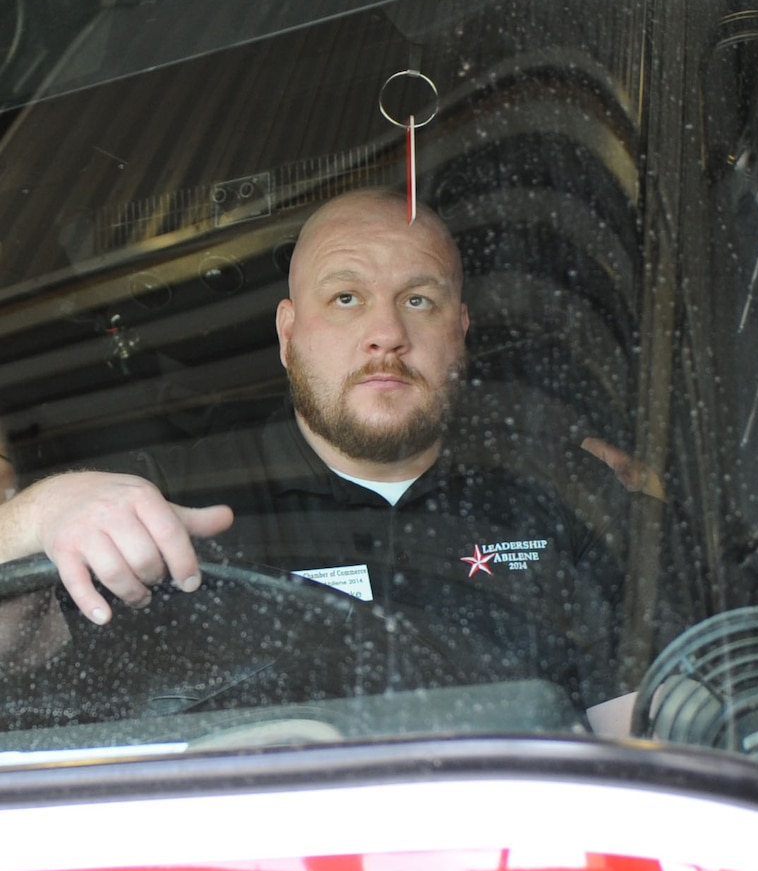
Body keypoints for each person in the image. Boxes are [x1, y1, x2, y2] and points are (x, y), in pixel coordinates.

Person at [0, 189, 620, 716]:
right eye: (346, 298)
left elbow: (652, 725)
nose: (387, 334)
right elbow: (20, 653)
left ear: (459, 331)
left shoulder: (564, 490)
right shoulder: (167, 495)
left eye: (418, 300)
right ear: (288, 334)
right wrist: (38, 514)